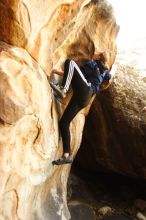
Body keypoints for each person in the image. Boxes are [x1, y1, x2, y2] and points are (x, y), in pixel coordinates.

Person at [50, 52, 111, 165]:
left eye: (97, 53)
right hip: (84, 99)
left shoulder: (92, 64)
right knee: (64, 123)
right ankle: (67, 155)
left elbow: (72, 71)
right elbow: (108, 76)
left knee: (70, 62)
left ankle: (63, 89)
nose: (94, 53)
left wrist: (55, 70)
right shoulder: (104, 72)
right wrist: (55, 71)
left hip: (86, 90)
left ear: (98, 57)